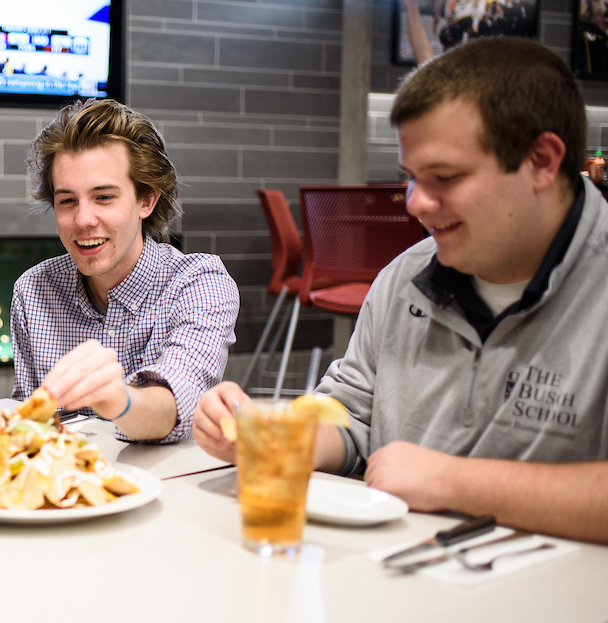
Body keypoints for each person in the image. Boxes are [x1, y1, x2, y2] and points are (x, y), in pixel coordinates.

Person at [194, 37, 608, 546]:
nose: (415, 204)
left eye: (444, 177)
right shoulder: (403, 278)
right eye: (409, 178)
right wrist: (273, 438)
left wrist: (455, 482)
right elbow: (352, 415)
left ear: (542, 161)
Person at [11, 98, 239, 444]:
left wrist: (119, 400)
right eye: (67, 200)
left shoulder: (200, 284)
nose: (83, 220)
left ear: (146, 200)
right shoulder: (33, 291)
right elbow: (31, 428)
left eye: (104, 197)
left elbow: (172, 403)